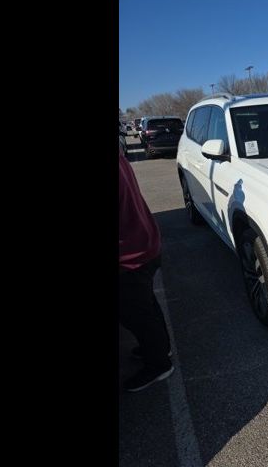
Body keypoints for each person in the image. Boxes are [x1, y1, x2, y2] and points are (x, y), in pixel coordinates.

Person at [119, 144, 173, 392]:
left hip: (130, 255)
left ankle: (159, 364)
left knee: (136, 313)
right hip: (145, 242)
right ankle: (160, 347)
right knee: (146, 304)